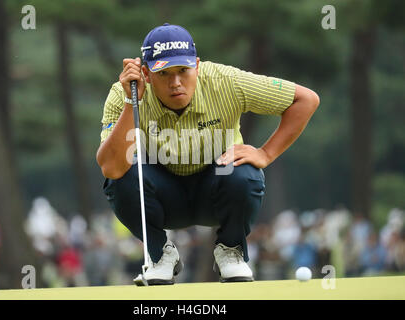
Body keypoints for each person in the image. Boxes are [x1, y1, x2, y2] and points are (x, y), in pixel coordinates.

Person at [96, 23, 319, 285]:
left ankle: (231, 250)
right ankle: (159, 254)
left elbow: (306, 100)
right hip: (163, 196)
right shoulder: (124, 93)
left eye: (183, 70)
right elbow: (110, 167)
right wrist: (131, 103)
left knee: (243, 171)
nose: (176, 82)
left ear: (197, 66)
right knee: (122, 174)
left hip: (217, 191)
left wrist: (266, 153)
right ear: (146, 73)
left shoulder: (226, 81)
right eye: (164, 73)